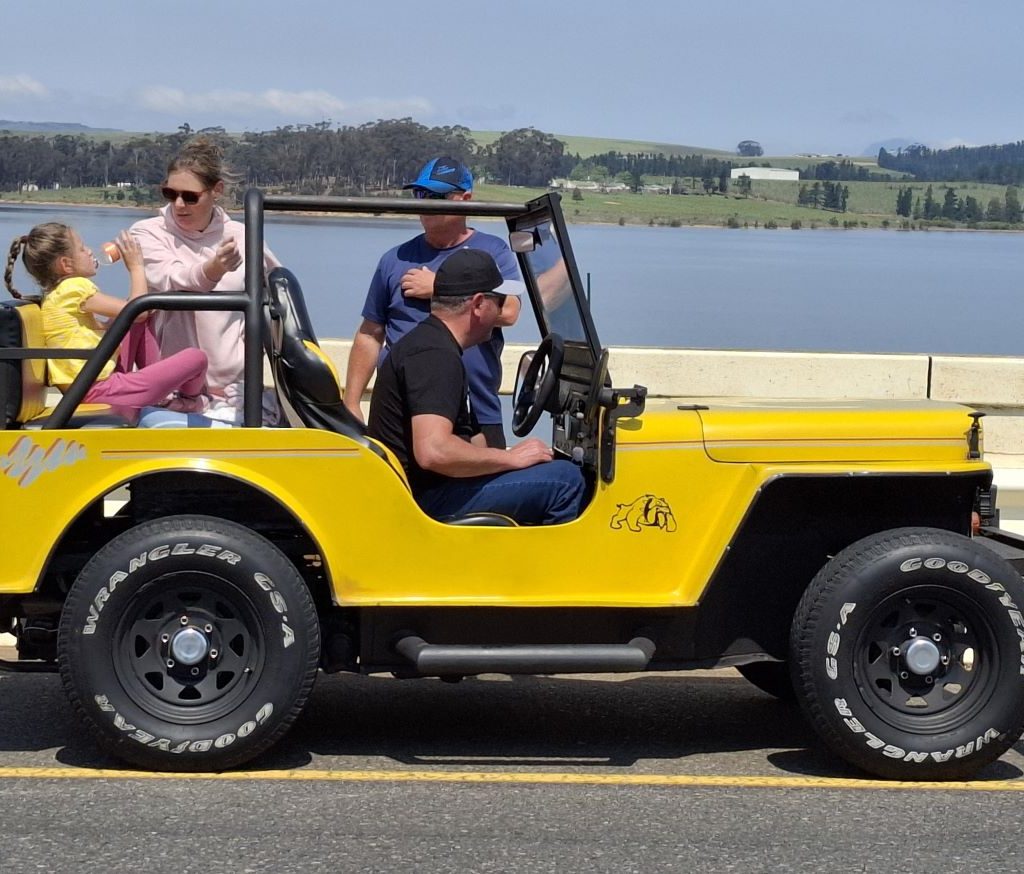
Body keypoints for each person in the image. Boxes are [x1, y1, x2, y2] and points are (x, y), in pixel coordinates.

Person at [367, 248, 585, 525]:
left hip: (429, 488)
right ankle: (553, 567)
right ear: (480, 304)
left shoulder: (434, 344)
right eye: (500, 300)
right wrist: (511, 459)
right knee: (566, 481)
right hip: (425, 500)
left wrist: (513, 458)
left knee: (548, 468)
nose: (502, 311)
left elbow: (462, 439)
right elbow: (433, 451)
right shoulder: (434, 355)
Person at [345, 156, 522, 448]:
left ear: (465, 200)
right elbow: (370, 333)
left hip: (476, 412)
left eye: (436, 196)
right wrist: (351, 402)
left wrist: (439, 287)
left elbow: (510, 311)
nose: (424, 205)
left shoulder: (493, 251)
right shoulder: (395, 259)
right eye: (419, 195)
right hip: (404, 417)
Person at [131, 136, 280, 422]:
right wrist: (213, 269)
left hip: (236, 391)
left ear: (216, 191)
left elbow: (280, 295)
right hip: (173, 391)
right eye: (169, 193)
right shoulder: (148, 233)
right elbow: (174, 279)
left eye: (190, 196)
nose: (178, 204)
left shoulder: (244, 236)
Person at [5, 223, 207, 411]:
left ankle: (158, 393)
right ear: (66, 265)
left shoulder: (56, 294)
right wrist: (137, 267)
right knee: (197, 357)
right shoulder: (75, 287)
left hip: (87, 384)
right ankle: (189, 402)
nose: (90, 251)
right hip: (96, 389)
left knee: (134, 318)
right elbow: (140, 311)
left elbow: (123, 320)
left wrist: (136, 310)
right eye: (83, 249)